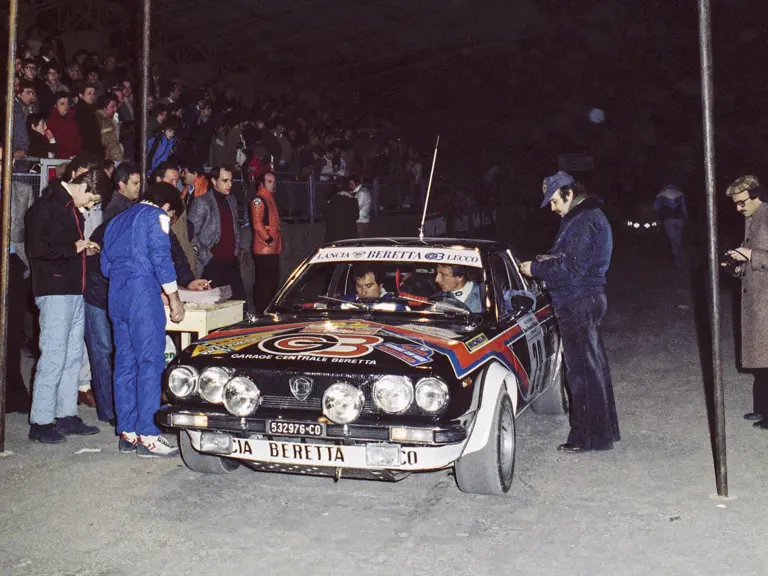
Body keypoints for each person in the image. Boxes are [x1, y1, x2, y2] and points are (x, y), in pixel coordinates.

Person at [519, 170, 620, 453]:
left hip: (577, 301)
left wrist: (535, 268)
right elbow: (574, 260)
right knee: (594, 367)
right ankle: (602, 434)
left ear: (569, 194)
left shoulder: (583, 220)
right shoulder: (588, 217)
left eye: (554, 201)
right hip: (588, 298)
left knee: (581, 373)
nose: (552, 208)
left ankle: (584, 438)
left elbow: (571, 267)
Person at [100, 182, 186, 457]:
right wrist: (174, 298)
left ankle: (127, 432)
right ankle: (148, 434)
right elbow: (161, 258)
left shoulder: (116, 221)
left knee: (124, 363)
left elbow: (105, 266)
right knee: (150, 362)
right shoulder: (156, 216)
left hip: (116, 295)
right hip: (142, 297)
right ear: (167, 207)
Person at [25, 169, 105, 443]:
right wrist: (74, 248)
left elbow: (65, 247)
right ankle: (41, 421)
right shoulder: (46, 206)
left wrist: (82, 249)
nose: (91, 206)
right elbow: (36, 249)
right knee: (54, 355)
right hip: (54, 292)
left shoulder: (70, 208)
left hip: (73, 291)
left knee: (72, 356)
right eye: (92, 199)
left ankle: (66, 414)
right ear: (82, 186)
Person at [723, 176, 768, 429]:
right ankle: (762, 409)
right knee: (762, 361)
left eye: (742, 202)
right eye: (735, 204)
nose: (738, 208)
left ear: (756, 196)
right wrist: (738, 264)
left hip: (766, 301)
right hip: (758, 301)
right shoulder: (752, 217)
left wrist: (751, 255)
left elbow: (759, 255)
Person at [188, 165, 244, 298]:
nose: (230, 184)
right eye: (225, 181)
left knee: (239, 302)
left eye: (231, 180)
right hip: (212, 264)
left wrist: (236, 251)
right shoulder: (202, 202)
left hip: (231, 261)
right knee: (215, 303)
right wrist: (207, 257)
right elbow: (191, 234)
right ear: (214, 181)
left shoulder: (231, 200)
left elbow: (235, 227)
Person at [250, 171, 282, 312]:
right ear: (262, 183)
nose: (273, 184)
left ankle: (267, 310)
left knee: (271, 283)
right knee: (265, 283)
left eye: (274, 181)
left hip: (271, 246)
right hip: (265, 247)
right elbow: (257, 224)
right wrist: (269, 239)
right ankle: (262, 311)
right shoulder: (259, 200)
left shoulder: (268, 198)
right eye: (269, 181)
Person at [654, 185, 688, 268]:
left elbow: (656, 206)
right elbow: (684, 208)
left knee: (673, 241)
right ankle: (679, 258)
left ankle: (676, 261)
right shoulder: (680, 194)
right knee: (678, 239)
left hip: (669, 219)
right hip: (680, 219)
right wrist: (686, 218)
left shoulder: (662, 194)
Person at [47, 91, 82, 159]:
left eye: (67, 103)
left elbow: (78, 141)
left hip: (75, 158)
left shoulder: (73, 119)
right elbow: (54, 146)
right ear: (55, 106)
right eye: (62, 104)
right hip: (60, 160)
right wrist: (67, 156)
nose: (66, 106)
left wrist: (78, 155)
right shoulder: (51, 123)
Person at [96, 92, 123, 162]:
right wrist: (119, 160)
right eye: (112, 107)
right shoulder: (105, 122)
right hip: (108, 160)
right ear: (104, 108)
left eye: (116, 106)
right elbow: (112, 144)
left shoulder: (99, 117)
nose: (115, 109)